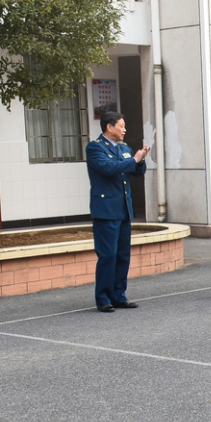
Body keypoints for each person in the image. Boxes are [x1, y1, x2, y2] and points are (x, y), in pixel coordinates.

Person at [86, 109, 150, 313]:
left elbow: (135, 172)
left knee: (123, 255)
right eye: (121, 126)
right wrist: (133, 159)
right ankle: (103, 297)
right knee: (108, 255)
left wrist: (140, 160)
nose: (124, 129)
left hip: (123, 208)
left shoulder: (124, 147)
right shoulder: (95, 148)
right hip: (105, 210)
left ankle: (119, 295)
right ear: (109, 127)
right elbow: (109, 168)